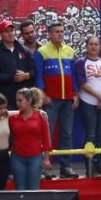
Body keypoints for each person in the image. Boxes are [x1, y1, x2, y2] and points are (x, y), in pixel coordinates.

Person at [34, 21, 79, 179]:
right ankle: (44, 168)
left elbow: (73, 76)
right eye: (56, 31)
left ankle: (66, 167)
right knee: (47, 134)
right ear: (49, 34)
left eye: (61, 31)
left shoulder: (70, 51)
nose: (60, 34)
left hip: (68, 99)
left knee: (67, 134)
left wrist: (75, 94)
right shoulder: (42, 52)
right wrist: (43, 94)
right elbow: (38, 75)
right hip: (50, 100)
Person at [76, 36, 101, 177]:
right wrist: (99, 96)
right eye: (91, 44)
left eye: (96, 44)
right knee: (90, 134)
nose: (93, 46)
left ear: (99, 47)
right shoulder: (81, 62)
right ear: (86, 46)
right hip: (88, 102)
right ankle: (90, 168)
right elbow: (82, 83)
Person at [0, 19, 35, 110]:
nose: (10, 33)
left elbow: (34, 70)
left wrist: (26, 75)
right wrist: (11, 77)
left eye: (12, 30)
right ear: (0, 34)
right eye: (6, 31)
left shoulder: (24, 50)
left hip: (25, 99)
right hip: (4, 99)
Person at [9, 87, 51, 190]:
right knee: (20, 188)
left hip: (35, 157)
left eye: (20, 100)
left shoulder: (41, 117)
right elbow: (1, 112)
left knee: (33, 188)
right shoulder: (12, 118)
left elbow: (46, 139)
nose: (18, 103)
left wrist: (46, 159)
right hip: (17, 157)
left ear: (29, 101)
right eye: (16, 101)